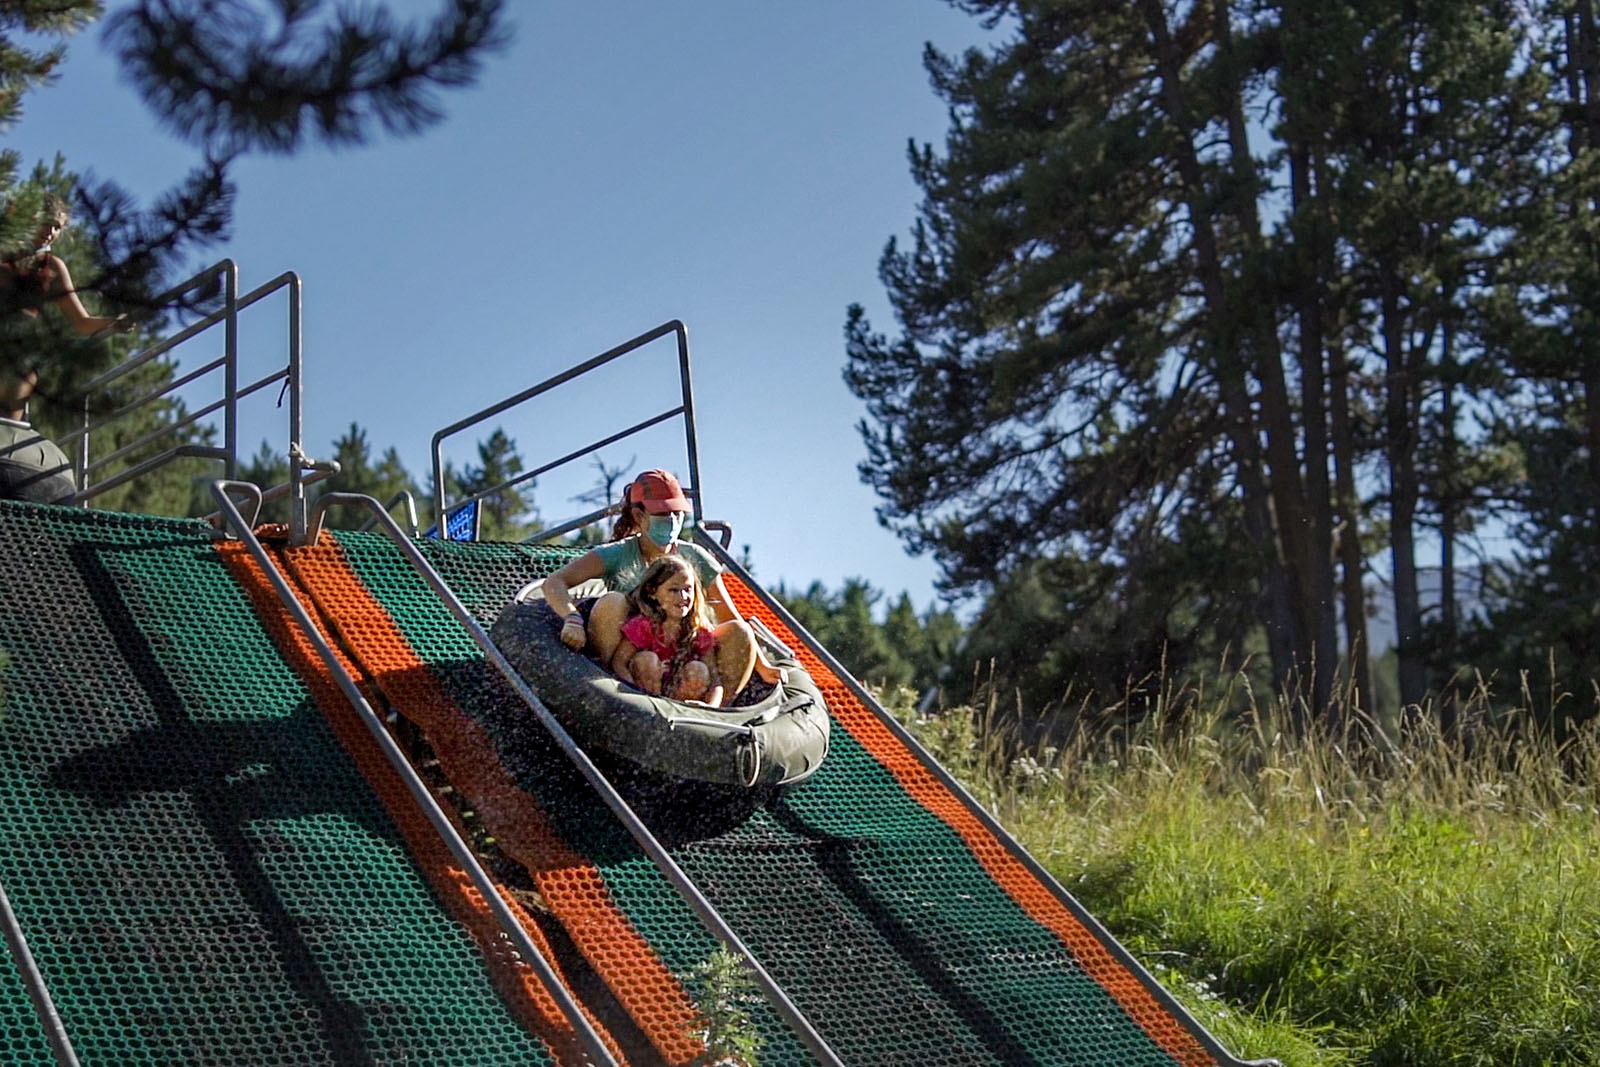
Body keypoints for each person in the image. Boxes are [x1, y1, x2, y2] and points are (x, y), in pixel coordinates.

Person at [541, 468, 782, 700]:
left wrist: (762, 665)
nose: (673, 520)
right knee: (612, 603)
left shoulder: (696, 558)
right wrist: (571, 618)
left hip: (682, 660)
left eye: (677, 514)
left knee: (740, 632)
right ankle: (607, 693)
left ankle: (714, 716)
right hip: (634, 661)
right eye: (664, 515)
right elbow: (554, 583)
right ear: (639, 515)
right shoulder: (617, 554)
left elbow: (729, 616)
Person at [611, 555, 724, 706]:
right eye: (674, 590)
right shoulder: (644, 625)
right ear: (652, 592)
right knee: (646, 660)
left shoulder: (698, 632)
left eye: (687, 589)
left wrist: (711, 706)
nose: (683, 596)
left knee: (698, 669)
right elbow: (619, 663)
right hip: (645, 695)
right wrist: (630, 693)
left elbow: (715, 681)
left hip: (678, 699)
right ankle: (651, 706)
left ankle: (680, 708)